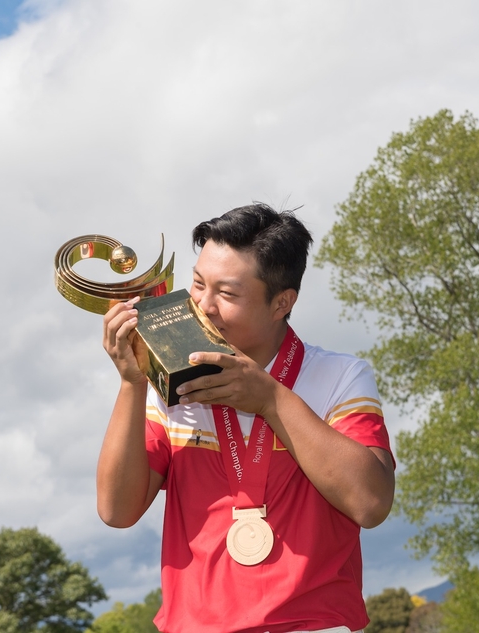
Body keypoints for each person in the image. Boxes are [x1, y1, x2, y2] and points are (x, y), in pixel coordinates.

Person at [98, 203, 395, 633]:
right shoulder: (169, 386)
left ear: (282, 303)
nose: (202, 305)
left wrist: (272, 400)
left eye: (227, 293)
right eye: (198, 284)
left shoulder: (339, 377)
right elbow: (116, 510)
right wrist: (132, 383)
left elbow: (370, 503)